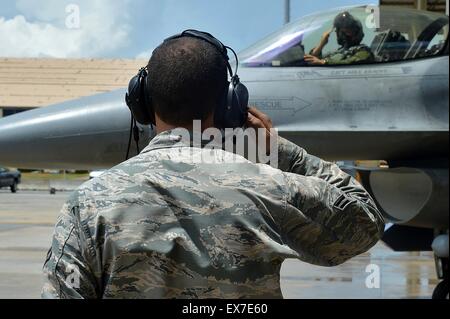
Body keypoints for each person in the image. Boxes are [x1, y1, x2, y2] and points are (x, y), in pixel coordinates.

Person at [42, 30, 384, 299]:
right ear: (230, 106)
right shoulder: (270, 188)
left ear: (144, 102)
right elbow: (364, 221)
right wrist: (279, 152)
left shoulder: (88, 204)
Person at [304, 11, 374, 65]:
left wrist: (324, 62)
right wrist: (321, 44)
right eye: (341, 30)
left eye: (347, 30)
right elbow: (311, 61)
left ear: (356, 31)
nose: (343, 34)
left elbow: (352, 61)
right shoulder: (339, 51)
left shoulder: (363, 51)